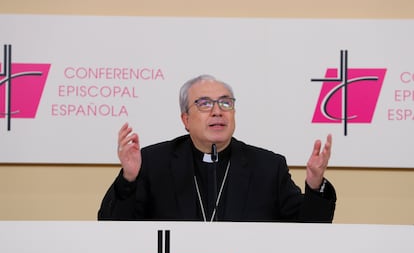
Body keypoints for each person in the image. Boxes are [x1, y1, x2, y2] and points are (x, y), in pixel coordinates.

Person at [98, 74, 336, 222]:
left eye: (226, 103)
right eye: (204, 104)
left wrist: (315, 186)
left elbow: (309, 231)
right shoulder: (154, 162)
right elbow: (113, 227)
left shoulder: (268, 167)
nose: (217, 111)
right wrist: (129, 178)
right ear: (185, 119)